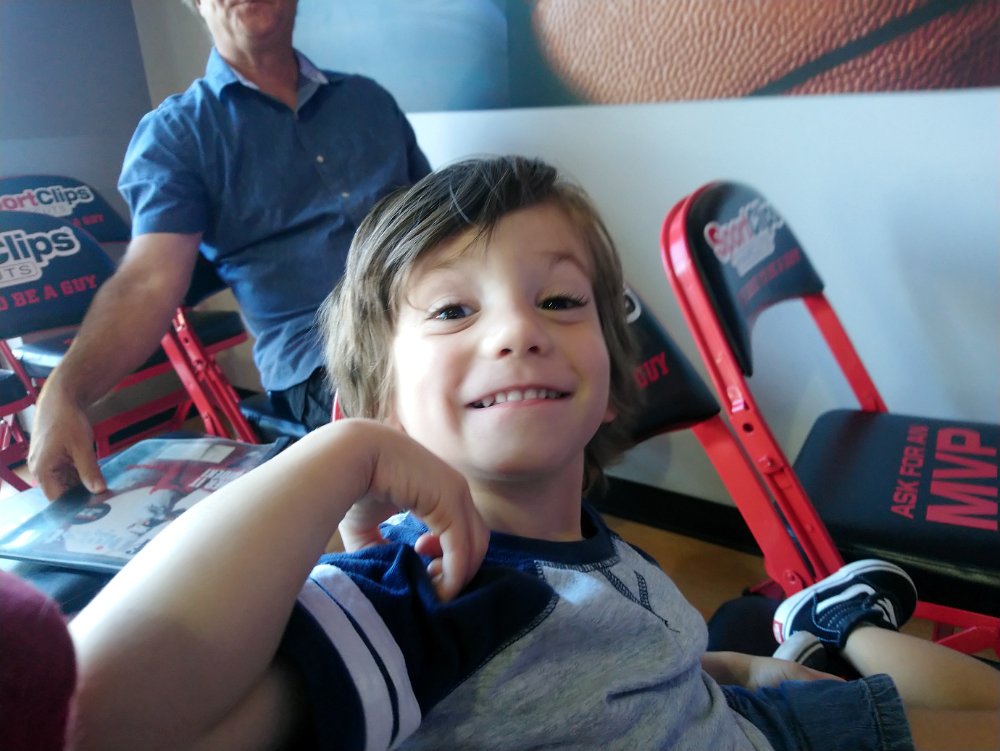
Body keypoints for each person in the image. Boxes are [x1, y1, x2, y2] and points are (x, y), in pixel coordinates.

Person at [66, 157, 999, 750]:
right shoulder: (422, 598)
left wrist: (739, 670)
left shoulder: (593, 540)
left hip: (737, 709)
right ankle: (828, 625)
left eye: (558, 300)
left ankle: (834, 624)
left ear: (612, 379)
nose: (519, 329)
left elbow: (623, 666)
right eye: (453, 309)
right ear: (377, 406)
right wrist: (333, 458)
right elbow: (91, 715)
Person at [27, 0, 430, 500]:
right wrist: (64, 393)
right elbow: (148, 282)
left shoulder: (368, 100)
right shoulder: (178, 135)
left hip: (427, 316)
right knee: (441, 411)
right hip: (323, 358)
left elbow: (441, 226)